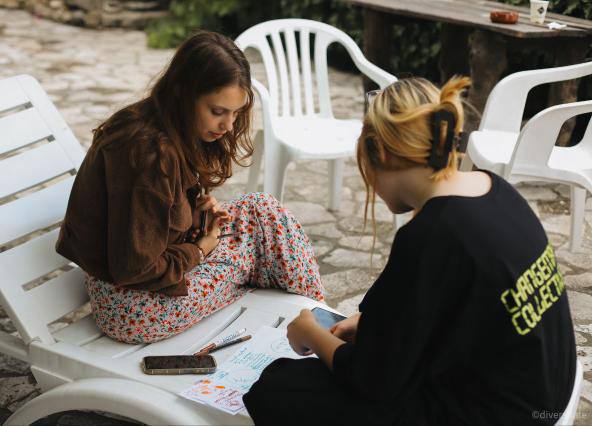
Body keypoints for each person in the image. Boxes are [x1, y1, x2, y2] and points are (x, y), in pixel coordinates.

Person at [243, 76, 576, 425]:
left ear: (382, 153)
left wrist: (310, 334)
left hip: (502, 414)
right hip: (548, 393)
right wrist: (369, 324)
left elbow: (371, 380)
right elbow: (456, 306)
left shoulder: (432, 233)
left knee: (279, 387)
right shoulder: (497, 189)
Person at [56, 31, 324, 344]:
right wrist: (199, 249)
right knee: (257, 250)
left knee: (262, 209)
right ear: (183, 94)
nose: (228, 126)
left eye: (236, 113)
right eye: (218, 111)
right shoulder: (149, 154)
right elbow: (135, 269)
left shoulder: (159, 122)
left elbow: (147, 219)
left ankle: (319, 322)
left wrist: (190, 213)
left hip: (148, 277)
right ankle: (321, 330)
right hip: (134, 306)